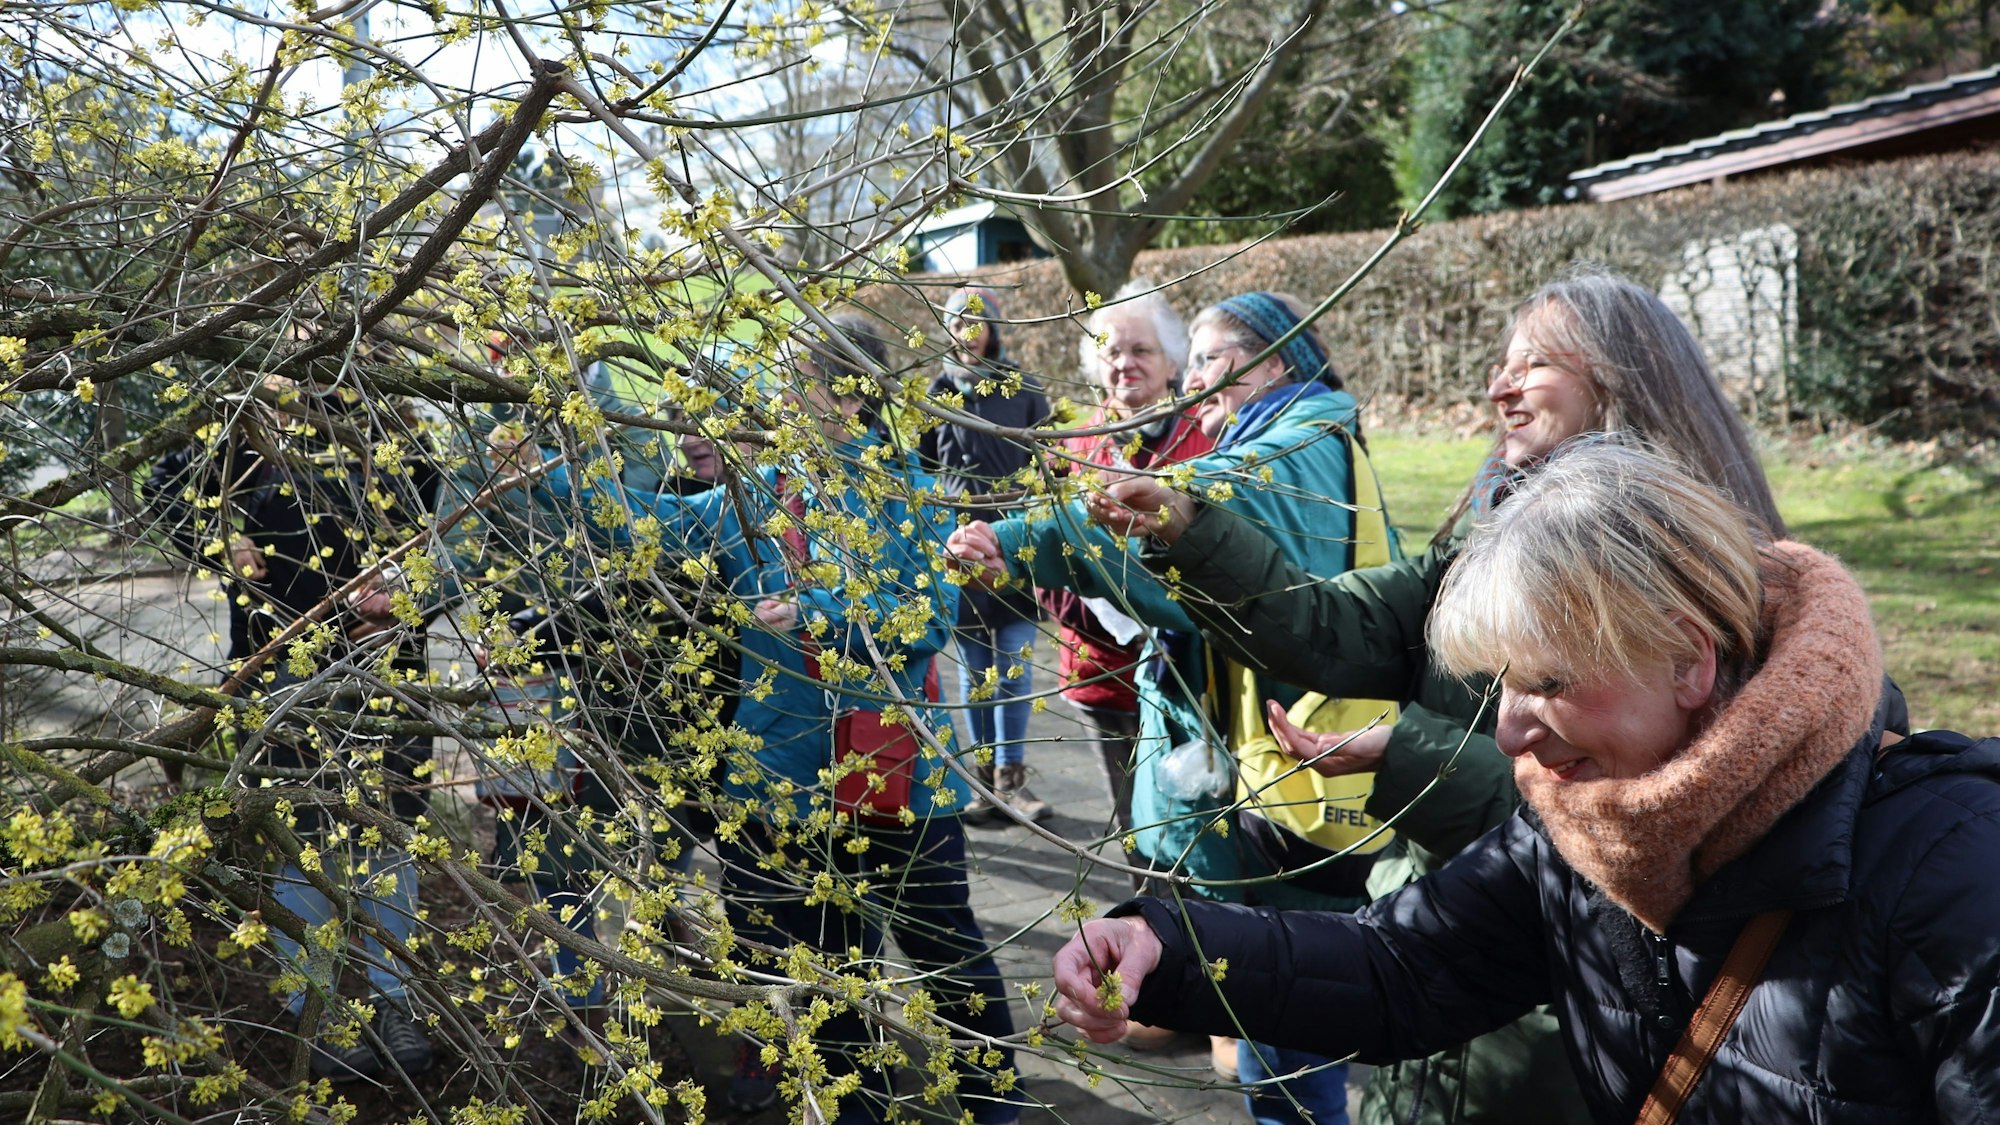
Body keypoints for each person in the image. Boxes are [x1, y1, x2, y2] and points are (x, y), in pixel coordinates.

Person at [1053, 440, 2000, 1123]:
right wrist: (1166, 948)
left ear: (1689, 659)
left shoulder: (1955, 872)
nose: (1509, 729)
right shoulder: (1588, 820)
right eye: (1501, 685)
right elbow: (1405, 967)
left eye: (1547, 682)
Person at [1088, 270, 1794, 1125]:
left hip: (1552, 1029)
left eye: (1533, 363)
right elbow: (1338, 624)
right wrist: (1196, 533)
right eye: (1502, 360)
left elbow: (1634, 817)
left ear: (1622, 377)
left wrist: (1412, 753)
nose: (1499, 384)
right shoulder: (1491, 516)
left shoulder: (1672, 567)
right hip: (1449, 945)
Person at [498, 315, 1024, 1125]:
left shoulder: (907, 491)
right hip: (780, 773)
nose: (775, 397)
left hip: (895, 773)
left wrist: (814, 610)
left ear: (847, 394)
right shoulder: (761, 489)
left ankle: (993, 1096)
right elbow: (652, 523)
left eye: (793, 380)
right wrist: (551, 476)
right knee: (818, 959)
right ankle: (853, 1105)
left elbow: (928, 619)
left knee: (941, 945)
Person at [950, 291, 1383, 1122]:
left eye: (1207, 362)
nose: (1192, 381)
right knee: (1271, 1004)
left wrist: (1030, 539)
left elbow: (1208, 519)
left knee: (1294, 1016)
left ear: (1273, 363)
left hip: (1299, 770)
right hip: (1259, 757)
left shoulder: (1290, 445)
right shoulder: (1282, 431)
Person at [145, 380, 439, 1082]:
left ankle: (395, 1002)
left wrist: (407, 593)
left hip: (383, 676)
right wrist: (221, 533)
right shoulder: (243, 437)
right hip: (280, 675)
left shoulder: (386, 429)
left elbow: (451, 533)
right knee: (300, 848)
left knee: (386, 841)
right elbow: (163, 487)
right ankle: (321, 1010)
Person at [1043, 281, 1213, 861]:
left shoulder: (1209, 441)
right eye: (1112, 352)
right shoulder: (1072, 444)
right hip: (1101, 674)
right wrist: (1115, 618)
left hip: (1193, 675)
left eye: (1140, 350)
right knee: (1135, 830)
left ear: (1172, 362)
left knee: (1196, 826)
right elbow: (1042, 561)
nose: (1125, 364)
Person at [920, 285, 1054, 823]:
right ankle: (982, 787)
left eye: (977, 320)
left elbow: (1049, 461)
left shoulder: (1024, 388)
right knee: (974, 673)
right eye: (958, 320)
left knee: (1017, 670)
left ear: (995, 328)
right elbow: (924, 468)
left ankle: (1012, 779)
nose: (968, 330)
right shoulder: (936, 390)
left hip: (1017, 547)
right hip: (963, 551)